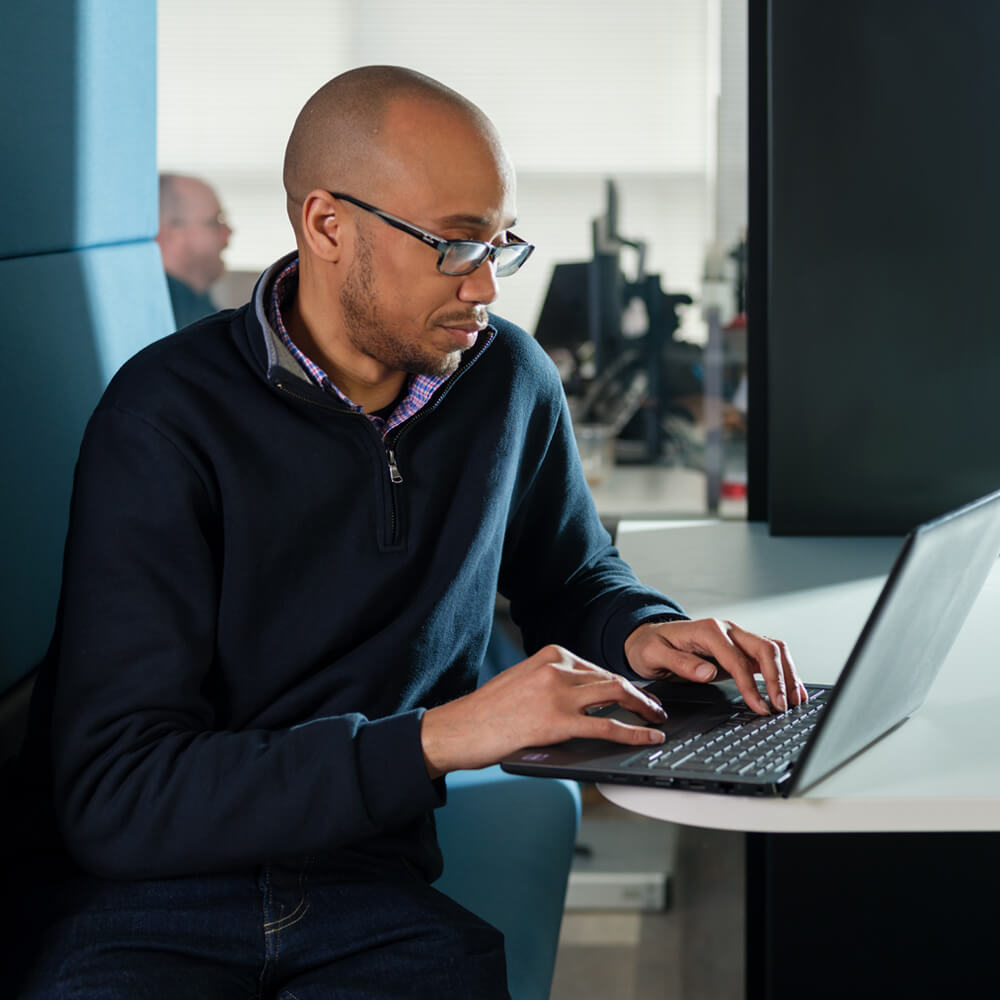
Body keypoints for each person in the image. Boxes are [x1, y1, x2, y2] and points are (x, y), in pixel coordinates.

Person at [12, 66, 803, 998]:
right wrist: (434, 738)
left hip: (370, 894)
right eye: (455, 246)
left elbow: (572, 574)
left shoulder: (508, 380)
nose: (486, 288)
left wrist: (638, 628)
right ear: (326, 225)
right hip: (148, 910)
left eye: (499, 246)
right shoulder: (165, 416)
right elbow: (120, 798)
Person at [155, 172, 232, 328]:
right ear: (169, 234)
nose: (228, 231)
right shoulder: (165, 315)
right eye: (216, 221)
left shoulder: (197, 302)